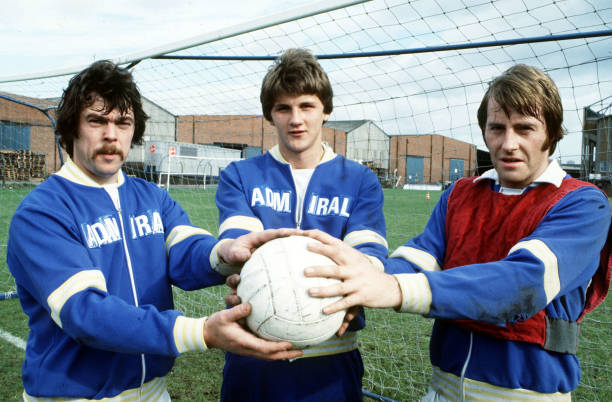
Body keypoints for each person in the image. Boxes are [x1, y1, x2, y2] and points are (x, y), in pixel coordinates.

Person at [303, 64, 611, 400]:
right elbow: (420, 257)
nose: (508, 143)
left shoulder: (583, 203)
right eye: (497, 128)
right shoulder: (461, 193)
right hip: (442, 389)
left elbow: (523, 284)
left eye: (525, 129)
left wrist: (392, 288)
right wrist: (358, 274)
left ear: (551, 133)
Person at [6, 60, 302, 401]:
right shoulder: (42, 213)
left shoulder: (150, 197)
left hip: (152, 392)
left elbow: (184, 252)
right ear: (72, 126)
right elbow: (85, 313)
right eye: (97, 121)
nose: (111, 135)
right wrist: (201, 332)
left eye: (123, 122)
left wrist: (225, 254)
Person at [215, 48, 388, 401]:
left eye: (306, 106)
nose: (296, 119)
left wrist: (359, 289)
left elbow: (368, 255)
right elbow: (239, 244)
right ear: (270, 115)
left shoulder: (359, 180)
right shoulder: (241, 175)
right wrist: (234, 263)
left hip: (331, 358)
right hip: (253, 355)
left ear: (325, 110)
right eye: (284, 108)